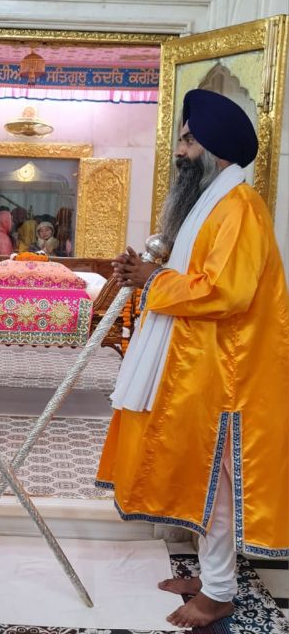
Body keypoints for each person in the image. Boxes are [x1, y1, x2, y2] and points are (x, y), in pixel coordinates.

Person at [96, 89, 289, 628]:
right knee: (205, 480)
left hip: (231, 376)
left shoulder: (240, 209)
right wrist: (149, 274)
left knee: (221, 485)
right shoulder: (216, 205)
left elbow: (227, 291)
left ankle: (220, 594)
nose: (179, 152)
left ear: (213, 149)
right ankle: (210, 576)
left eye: (186, 140)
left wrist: (153, 280)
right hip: (203, 368)